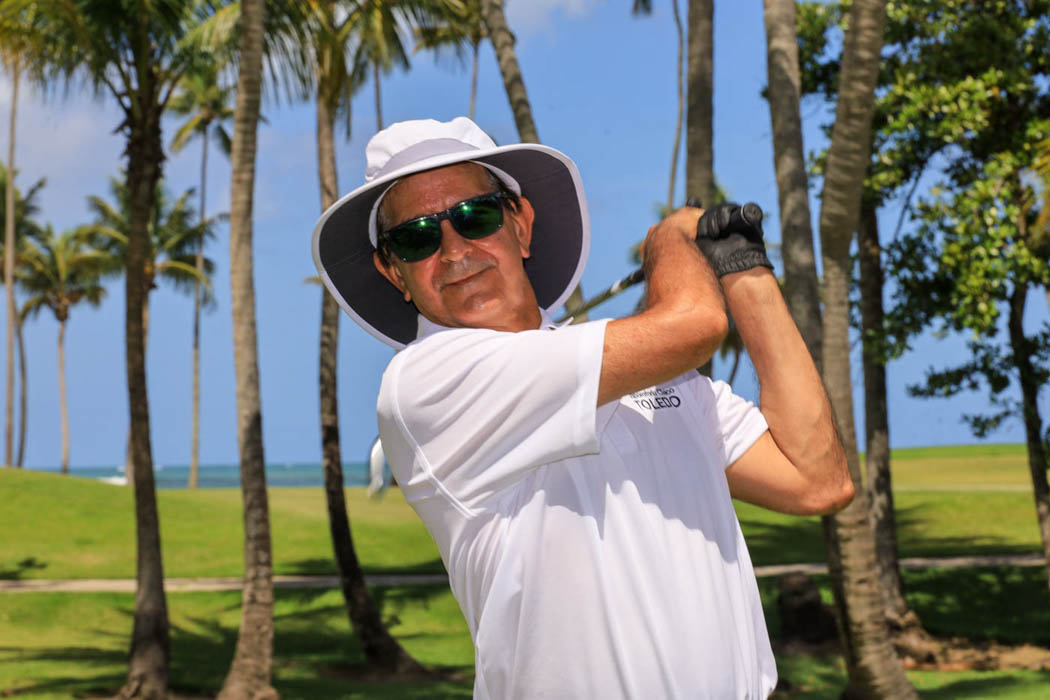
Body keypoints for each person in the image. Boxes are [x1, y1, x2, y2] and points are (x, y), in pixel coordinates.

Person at [312, 117, 852, 699]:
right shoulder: (426, 380)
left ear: (520, 225)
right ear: (393, 270)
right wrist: (669, 241)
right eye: (417, 238)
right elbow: (695, 325)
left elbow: (816, 480)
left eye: (476, 216)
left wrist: (745, 271)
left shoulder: (647, 370)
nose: (454, 251)